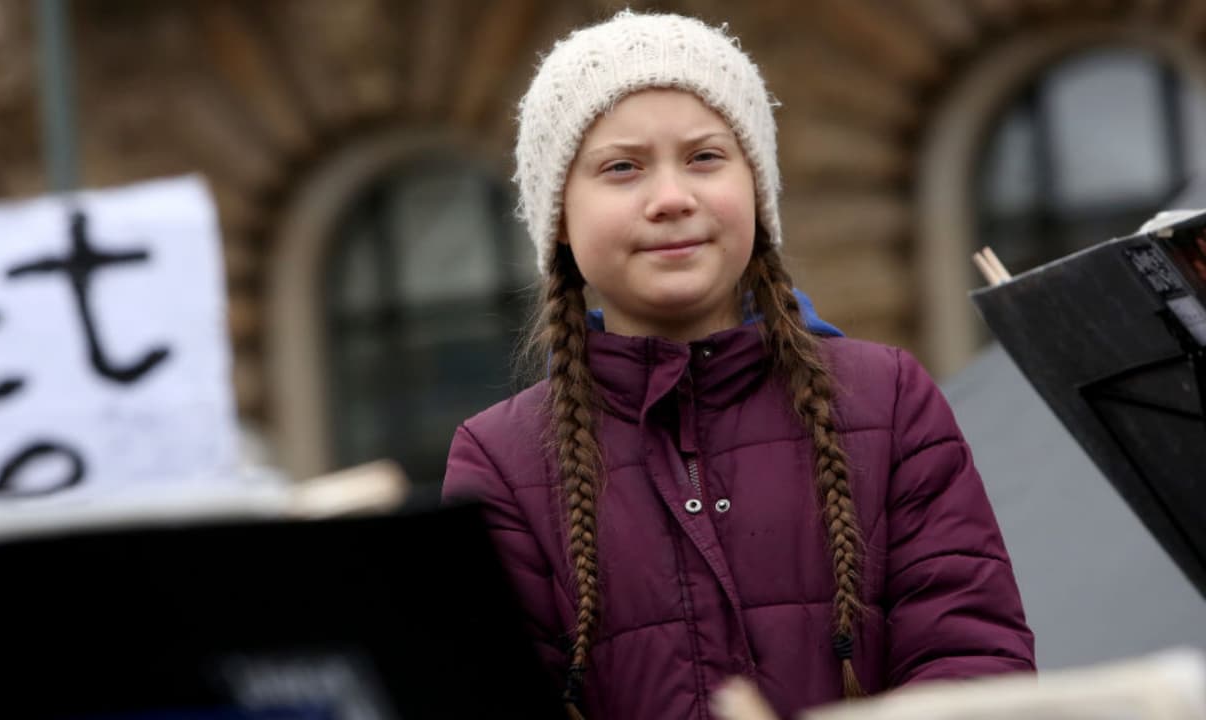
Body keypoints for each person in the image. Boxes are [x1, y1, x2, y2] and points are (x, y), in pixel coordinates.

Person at [442, 11, 1034, 719]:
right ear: (559, 219)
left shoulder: (890, 400)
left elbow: (975, 662)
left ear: (757, 187)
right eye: (621, 167)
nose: (671, 199)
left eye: (705, 157)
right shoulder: (499, 463)